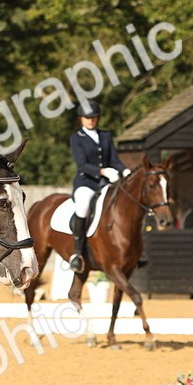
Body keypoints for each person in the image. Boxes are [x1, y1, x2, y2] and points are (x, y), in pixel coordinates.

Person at [68, 100, 129, 273]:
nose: (91, 120)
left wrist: (125, 172)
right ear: (82, 119)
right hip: (86, 182)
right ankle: (77, 253)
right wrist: (102, 172)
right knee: (84, 206)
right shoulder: (76, 138)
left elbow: (115, 160)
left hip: (106, 183)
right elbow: (82, 165)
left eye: (94, 117)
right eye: (88, 117)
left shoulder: (106, 136)